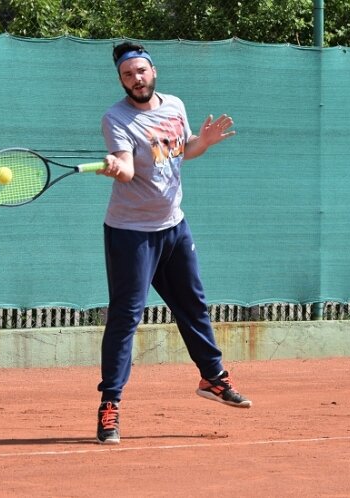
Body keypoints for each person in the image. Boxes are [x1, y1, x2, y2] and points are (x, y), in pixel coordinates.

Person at [94, 41, 252, 445]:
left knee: (193, 305)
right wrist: (116, 166)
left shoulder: (175, 107)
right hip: (131, 234)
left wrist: (205, 142)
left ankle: (212, 378)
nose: (136, 80)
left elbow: (181, 152)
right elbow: (129, 170)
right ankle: (110, 404)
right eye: (128, 75)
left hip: (174, 227)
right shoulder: (117, 118)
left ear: (153, 71)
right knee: (126, 317)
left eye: (141, 71)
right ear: (121, 80)